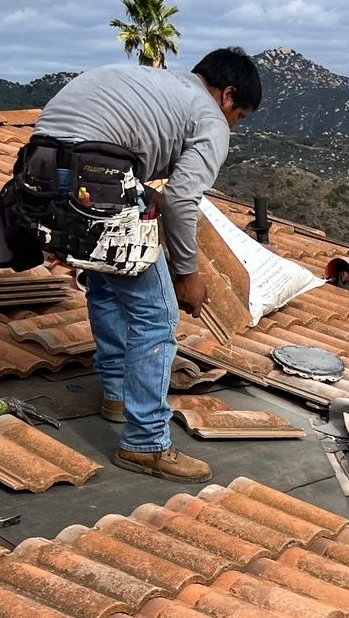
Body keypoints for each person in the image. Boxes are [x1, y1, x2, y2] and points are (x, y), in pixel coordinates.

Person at [29, 47, 260, 481]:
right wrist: (186, 275)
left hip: (41, 175)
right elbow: (182, 199)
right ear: (228, 95)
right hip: (91, 176)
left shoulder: (160, 86)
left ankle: (117, 394)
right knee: (156, 314)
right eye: (240, 116)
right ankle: (146, 443)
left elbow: (140, 178)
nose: (234, 125)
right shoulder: (210, 117)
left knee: (105, 280)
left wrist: (145, 198)